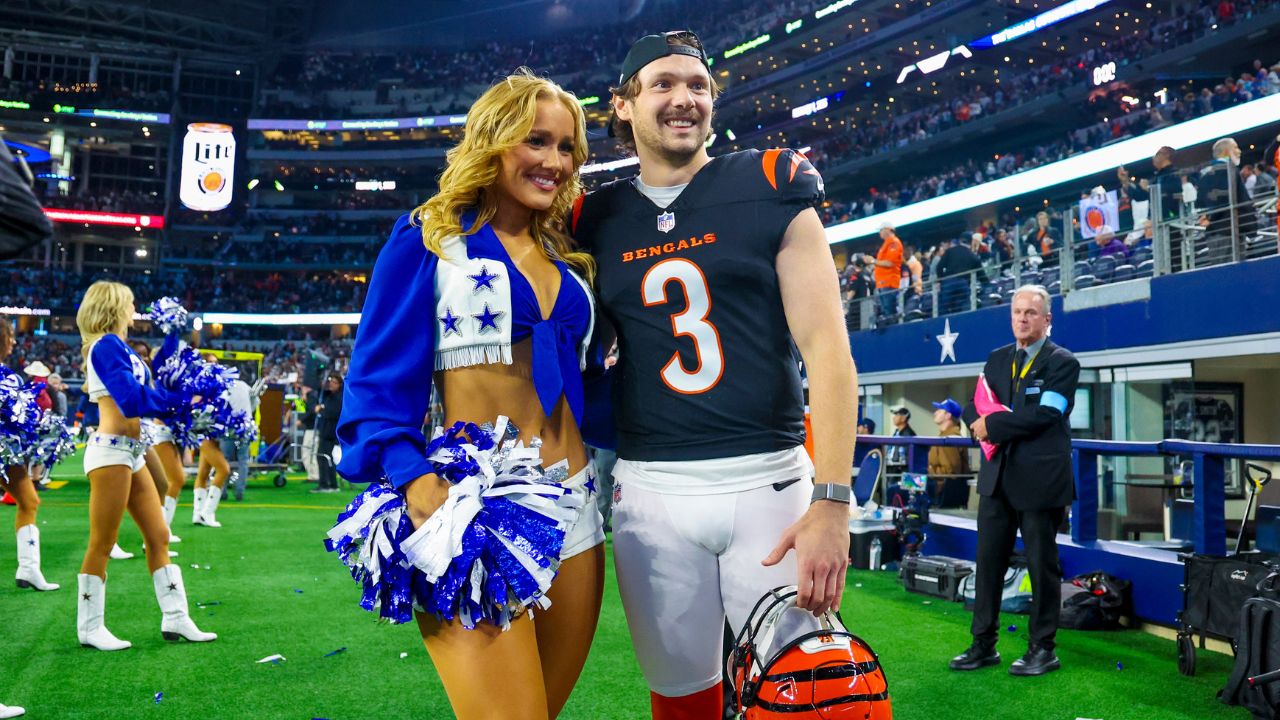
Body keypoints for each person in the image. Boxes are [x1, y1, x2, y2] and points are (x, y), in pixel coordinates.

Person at [572, 31, 857, 719]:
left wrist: (832, 502)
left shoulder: (769, 181)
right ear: (623, 104)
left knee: (814, 699)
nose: (684, 99)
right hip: (651, 494)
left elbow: (829, 352)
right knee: (680, 699)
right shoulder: (592, 217)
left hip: (770, 482)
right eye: (664, 83)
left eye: (698, 86)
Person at [334, 69, 604, 720]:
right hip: (476, 511)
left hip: (580, 514)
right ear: (493, 139)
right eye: (536, 141)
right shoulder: (429, 237)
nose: (553, 161)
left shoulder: (567, 253)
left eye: (566, 148)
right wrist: (417, 484)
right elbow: (374, 383)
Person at [74, 280, 215, 651]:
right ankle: (89, 627)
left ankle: (176, 618)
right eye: (130, 302)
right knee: (102, 543)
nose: (134, 308)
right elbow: (131, 399)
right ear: (114, 306)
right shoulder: (104, 346)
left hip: (131, 453)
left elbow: (148, 390)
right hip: (110, 454)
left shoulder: (120, 347)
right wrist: (180, 402)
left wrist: (185, 394)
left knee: (159, 536)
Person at [953, 285, 1079, 677]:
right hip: (997, 481)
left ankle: (1043, 649)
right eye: (1017, 312)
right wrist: (982, 419)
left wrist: (992, 424)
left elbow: (1047, 416)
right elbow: (974, 404)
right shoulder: (996, 359)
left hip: (1041, 484)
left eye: (1031, 313)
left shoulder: (1063, 363)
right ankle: (983, 645)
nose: (1022, 318)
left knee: (1043, 567)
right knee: (987, 564)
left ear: (1047, 320)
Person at [0, 320, 58, 592]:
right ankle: (29, 569)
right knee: (29, 501)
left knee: (29, 500)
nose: (13, 342)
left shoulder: (8, 374)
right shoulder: (7, 377)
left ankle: (29, 569)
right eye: (9, 336)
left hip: (7, 450)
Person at [191, 353, 232, 528]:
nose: (213, 366)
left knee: (203, 473)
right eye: (209, 362)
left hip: (212, 435)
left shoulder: (217, 385)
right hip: (204, 433)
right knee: (224, 470)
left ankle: (197, 513)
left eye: (215, 363)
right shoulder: (199, 385)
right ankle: (208, 513)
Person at [220, 375, 257, 501]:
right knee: (243, 461)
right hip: (245, 426)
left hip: (229, 427)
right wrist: (248, 413)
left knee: (223, 460)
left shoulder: (222, 386)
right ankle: (239, 490)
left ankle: (222, 490)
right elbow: (256, 400)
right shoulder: (243, 384)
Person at [928, 398, 969, 506]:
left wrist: (930, 470)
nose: (935, 412)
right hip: (942, 487)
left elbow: (951, 471)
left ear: (948, 415)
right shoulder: (944, 436)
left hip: (944, 491)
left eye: (940, 410)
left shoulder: (949, 439)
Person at [864, 222, 904, 323]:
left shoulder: (894, 242)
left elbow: (890, 263)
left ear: (888, 229)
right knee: (885, 311)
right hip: (882, 282)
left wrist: (873, 261)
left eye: (881, 230)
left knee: (889, 310)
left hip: (889, 282)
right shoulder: (886, 244)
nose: (880, 233)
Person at [937, 232, 983, 315]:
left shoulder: (950, 251)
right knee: (963, 309)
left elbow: (939, 267)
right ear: (970, 242)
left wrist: (942, 281)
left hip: (948, 282)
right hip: (963, 283)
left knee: (944, 308)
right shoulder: (973, 256)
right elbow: (982, 275)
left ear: (960, 240)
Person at [312, 372, 343, 493]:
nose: (331, 384)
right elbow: (321, 390)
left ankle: (326, 484)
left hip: (331, 433)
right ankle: (331, 484)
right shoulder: (329, 395)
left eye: (334, 382)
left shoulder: (339, 398)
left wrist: (322, 409)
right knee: (327, 458)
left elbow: (333, 413)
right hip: (327, 432)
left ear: (340, 384)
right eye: (330, 382)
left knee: (325, 458)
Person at [886, 406, 915, 471]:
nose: (894, 417)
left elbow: (906, 456)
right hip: (892, 468)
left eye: (897, 415)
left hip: (901, 471)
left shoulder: (908, 434)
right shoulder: (897, 432)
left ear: (903, 418)